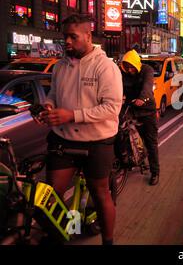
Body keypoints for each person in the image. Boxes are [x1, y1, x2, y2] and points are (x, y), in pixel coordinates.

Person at [39, 14, 123, 245]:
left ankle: (108, 241)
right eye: (64, 36)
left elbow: (111, 108)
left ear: (88, 36)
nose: (66, 41)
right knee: (50, 196)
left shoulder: (106, 67)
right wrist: (49, 106)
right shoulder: (60, 66)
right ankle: (57, 234)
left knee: (100, 193)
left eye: (72, 36)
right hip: (63, 139)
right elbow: (54, 94)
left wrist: (72, 115)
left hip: (97, 142)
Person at [119, 49, 160, 186]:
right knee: (121, 133)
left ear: (137, 64)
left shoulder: (146, 70)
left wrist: (143, 98)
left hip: (147, 110)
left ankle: (155, 172)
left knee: (151, 142)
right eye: (126, 66)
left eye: (131, 66)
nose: (129, 69)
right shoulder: (122, 74)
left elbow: (148, 86)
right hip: (130, 108)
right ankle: (129, 160)